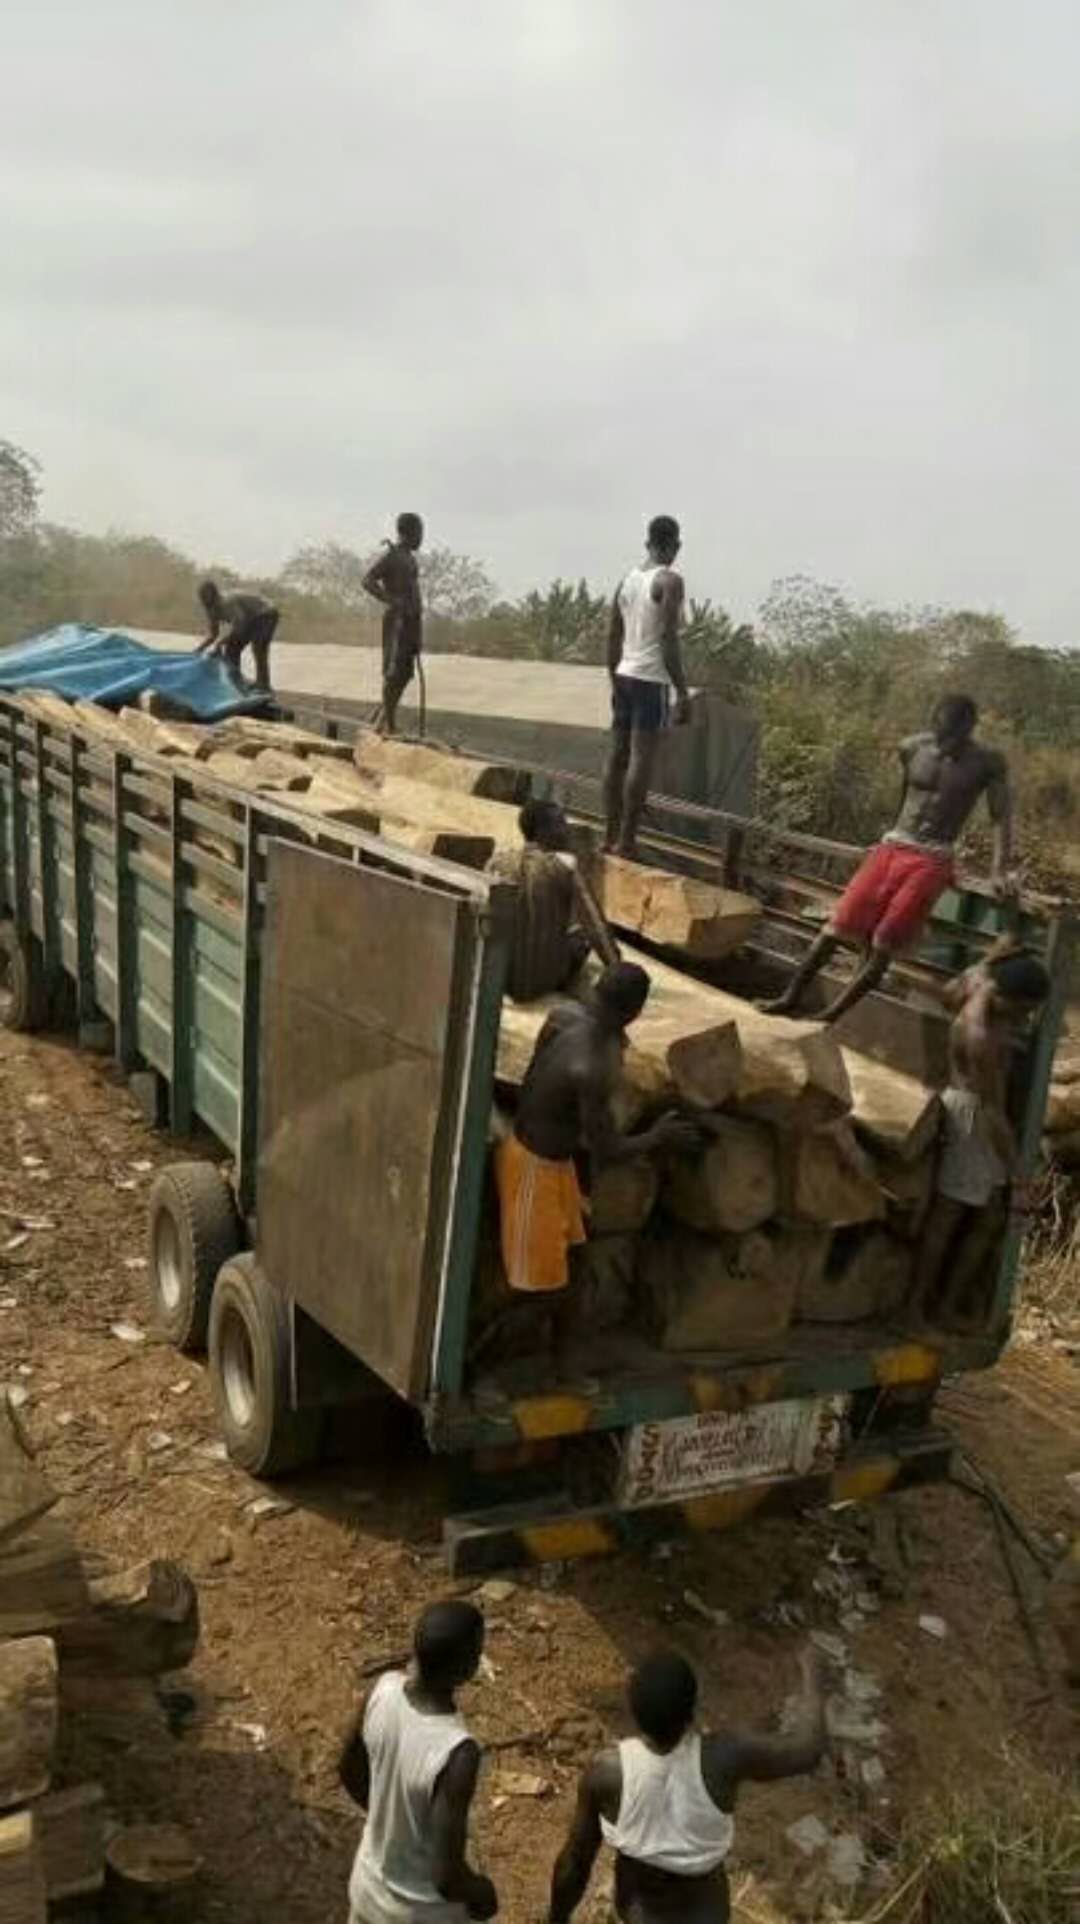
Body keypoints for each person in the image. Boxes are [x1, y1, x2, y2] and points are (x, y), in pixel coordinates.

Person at [759, 695, 1016, 1025]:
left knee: (885, 943)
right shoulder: (911, 748)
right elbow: (905, 798)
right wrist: (886, 839)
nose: (945, 745)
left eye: (953, 739)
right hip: (893, 846)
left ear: (969, 729)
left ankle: (830, 1016)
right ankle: (789, 998)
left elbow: (1001, 816)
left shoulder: (987, 762)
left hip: (933, 857)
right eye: (941, 736)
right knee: (835, 927)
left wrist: (999, 869)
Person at [494, 962, 700, 1367]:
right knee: (542, 1292)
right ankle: (480, 1371)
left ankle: (565, 1360)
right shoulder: (593, 1067)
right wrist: (658, 1136)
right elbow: (608, 1148)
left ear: (595, 991)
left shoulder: (563, 1017)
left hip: (553, 1162)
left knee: (578, 1263)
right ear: (636, 1013)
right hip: (534, 1170)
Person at [548, 1646, 827, 1924]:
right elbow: (806, 1751)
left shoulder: (607, 1774)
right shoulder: (722, 1759)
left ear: (633, 1710)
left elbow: (576, 1860)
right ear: (692, 1711)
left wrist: (557, 1919)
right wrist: (812, 1675)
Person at [915, 939, 1048, 1330]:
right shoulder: (980, 1037)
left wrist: (1000, 946)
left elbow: (950, 991)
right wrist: (1020, 1173)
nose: (1023, 1019)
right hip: (974, 1118)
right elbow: (991, 1110)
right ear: (1010, 998)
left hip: (978, 1114)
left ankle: (945, 1305)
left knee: (989, 1218)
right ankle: (916, 1311)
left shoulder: (980, 978)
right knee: (946, 1218)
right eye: (1023, 1010)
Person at [339, 1600, 497, 1924]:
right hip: (420, 1913)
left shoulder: (382, 1690)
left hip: (368, 1889)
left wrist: (391, 1826)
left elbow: (348, 1770)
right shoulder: (457, 1752)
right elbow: (446, 1877)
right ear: (468, 1668)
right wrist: (482, 1892)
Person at [604, 516, 691, 858]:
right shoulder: (670, 581)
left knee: (617, 755)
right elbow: (669, 638)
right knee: (641, 758)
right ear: (675, 546)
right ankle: (626, 841)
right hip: (651, 678)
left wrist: (613, 678)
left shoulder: (626, 581)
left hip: (625, 673)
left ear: (647, 544)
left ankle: (610, 835)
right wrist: (682, 692)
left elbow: (612, 634)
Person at [487, 800, 618, 1002]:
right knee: (580, 937)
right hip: (545, 980)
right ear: (541, 832)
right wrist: (617, 968)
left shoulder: (497, 862)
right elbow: (596, 927)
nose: (567, 830)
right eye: (561, 824)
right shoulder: (565, 864)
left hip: (502, 979)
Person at [364, 512, 425, 735]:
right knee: (393, 671)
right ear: (407, 533)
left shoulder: (409, 557)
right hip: (397, 622)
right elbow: (367, 580)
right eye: (419, 533)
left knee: (406, 673)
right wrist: (391, 600)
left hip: (412, 621)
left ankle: (385, 715)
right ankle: (388, 723)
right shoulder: (392, 556)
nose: (421, 538)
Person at [194, 580, 279, 693]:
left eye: (209, 599)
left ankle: (263, 685)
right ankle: (235, 681)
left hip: (266, 613)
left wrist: (220, 644)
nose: (208, 603)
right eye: (204, 600)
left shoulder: (227, 603)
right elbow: (213, 635)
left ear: (216, 596)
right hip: (250, 618)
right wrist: (198, 650)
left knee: (259, 648)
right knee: (232, 647)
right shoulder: (210, 610)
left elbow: (240, 626)